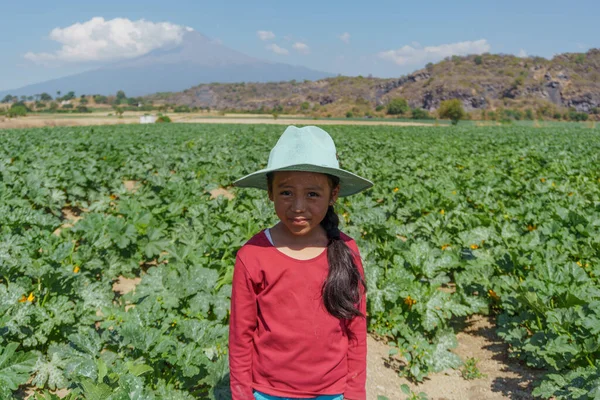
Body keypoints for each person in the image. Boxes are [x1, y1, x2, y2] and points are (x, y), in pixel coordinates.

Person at [229, 125, 373, 400]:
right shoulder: (252, 254)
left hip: (333, 392)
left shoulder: (346, 250)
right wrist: (242, 395)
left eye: (312, 194)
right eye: (285, 193)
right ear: (270, 192)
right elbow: (240, 337)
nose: (297, 206)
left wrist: (355, 393)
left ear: (333, 195)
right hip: (267, 392)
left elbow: (355, 332)